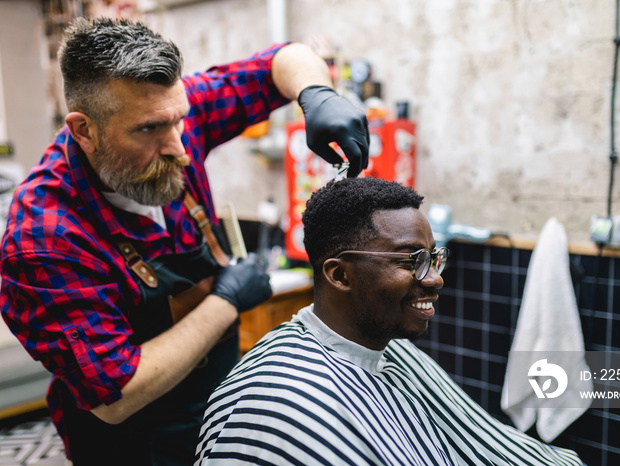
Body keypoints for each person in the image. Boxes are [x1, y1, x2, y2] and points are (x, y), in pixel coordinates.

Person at [0, 16, 369, 466]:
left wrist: (317, 94)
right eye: (150, 130)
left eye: (181, 119)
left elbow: (283, 59)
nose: (180, 146)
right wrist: (226, 302)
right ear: (84, 131)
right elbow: (116, 394)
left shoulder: (169, 116)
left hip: (217, 418)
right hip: (133, 447)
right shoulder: (45, 239)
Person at [195, 177, 583, 466]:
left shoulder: (391, 351)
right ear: (340, 275)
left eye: (434, 258)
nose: (435, 278)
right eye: (411, 260)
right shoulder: (271, 400)